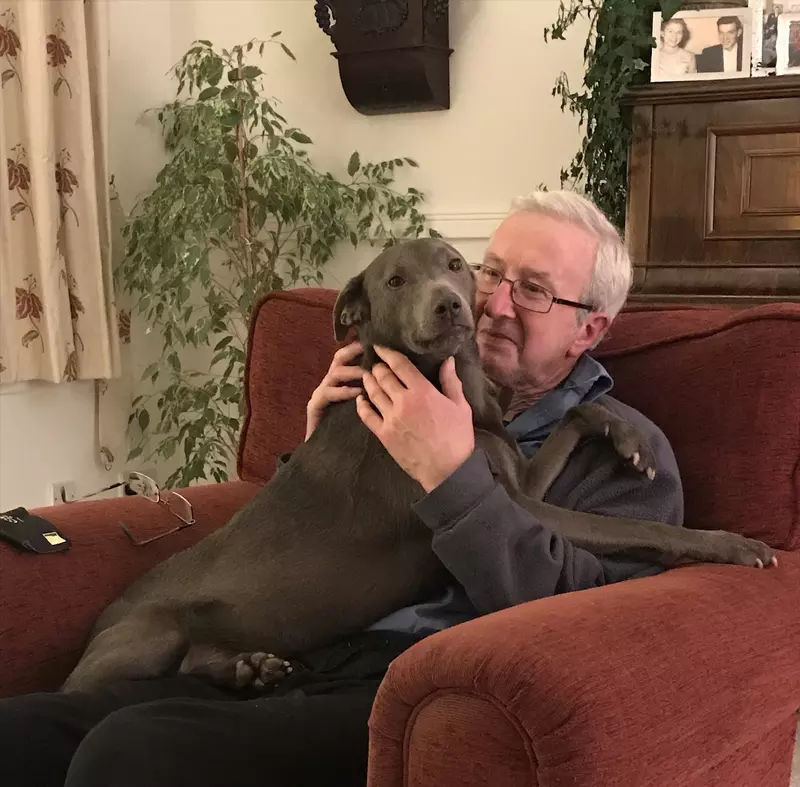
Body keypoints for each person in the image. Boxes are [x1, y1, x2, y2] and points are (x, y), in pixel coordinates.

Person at [0, 191, 683, 787]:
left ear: (590, 327)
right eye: (491, 273)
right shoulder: (388, 391)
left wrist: (450, 475)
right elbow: (307, 539)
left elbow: (589, 617)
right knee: (23, 732)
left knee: (133, 753)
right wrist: (318, 445)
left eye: (532, 289)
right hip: (284, 649)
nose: (490, 302)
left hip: (409, 680)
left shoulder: (626, 450)